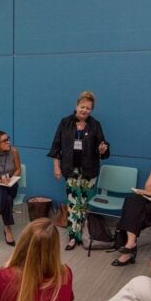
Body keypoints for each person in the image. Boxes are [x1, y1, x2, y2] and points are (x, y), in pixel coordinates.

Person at [48, 90, 110, 250]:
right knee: (73, 203)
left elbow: (103, 146)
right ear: (76, 106)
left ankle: (84, 233)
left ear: (91, 110)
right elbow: (56, 147)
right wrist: (56, 167)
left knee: (83, 204)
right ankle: (73, 237)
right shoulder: (65, 122)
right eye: (82, 107)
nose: (85, 110)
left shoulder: (95, 124)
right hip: (70, 170)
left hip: (89, 171)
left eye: (88, 108)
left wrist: (103, 149)